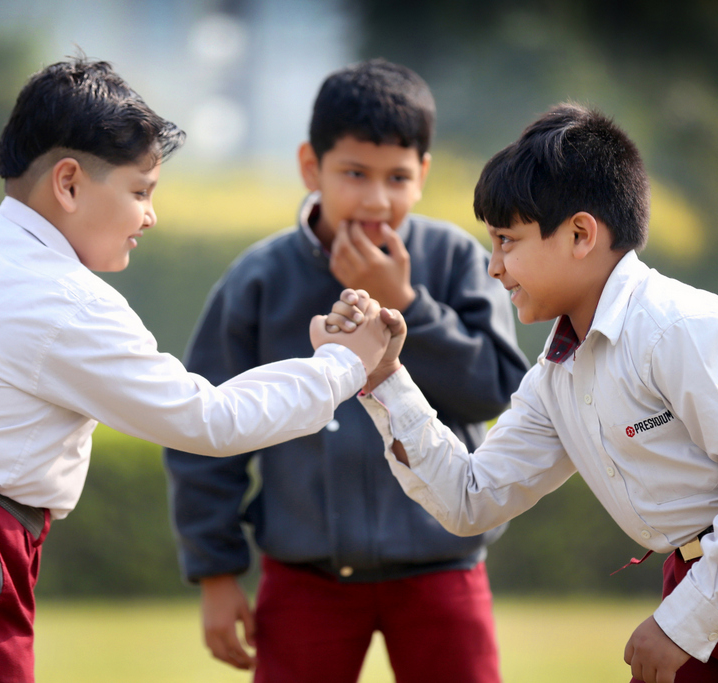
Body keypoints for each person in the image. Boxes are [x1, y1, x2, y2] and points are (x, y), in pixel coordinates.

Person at [0, 57, 398, 683]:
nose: (150, 217)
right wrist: (343, 363)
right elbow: (207, 419)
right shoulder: (68, 299)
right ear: (68, 184)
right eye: (140, 191)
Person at [332, 103, 718, 682]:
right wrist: (384, 375)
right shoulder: (557, 373)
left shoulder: (674, 328)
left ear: (580, 234)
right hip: (709, 570)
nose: (494, 267)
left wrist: (681, 624)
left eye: (507, 240)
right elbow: (471, 498)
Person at [164, 59, 528, 683]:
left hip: (443, 568)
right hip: (306, 579)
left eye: (397, 177)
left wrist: (410, 305)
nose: (376, 198)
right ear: (312, 167)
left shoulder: (458, 260)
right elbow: (205, 434)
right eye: (354, 173)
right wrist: (216, 573)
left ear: (423, 176)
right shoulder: (259, 280)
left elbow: (495, 389)